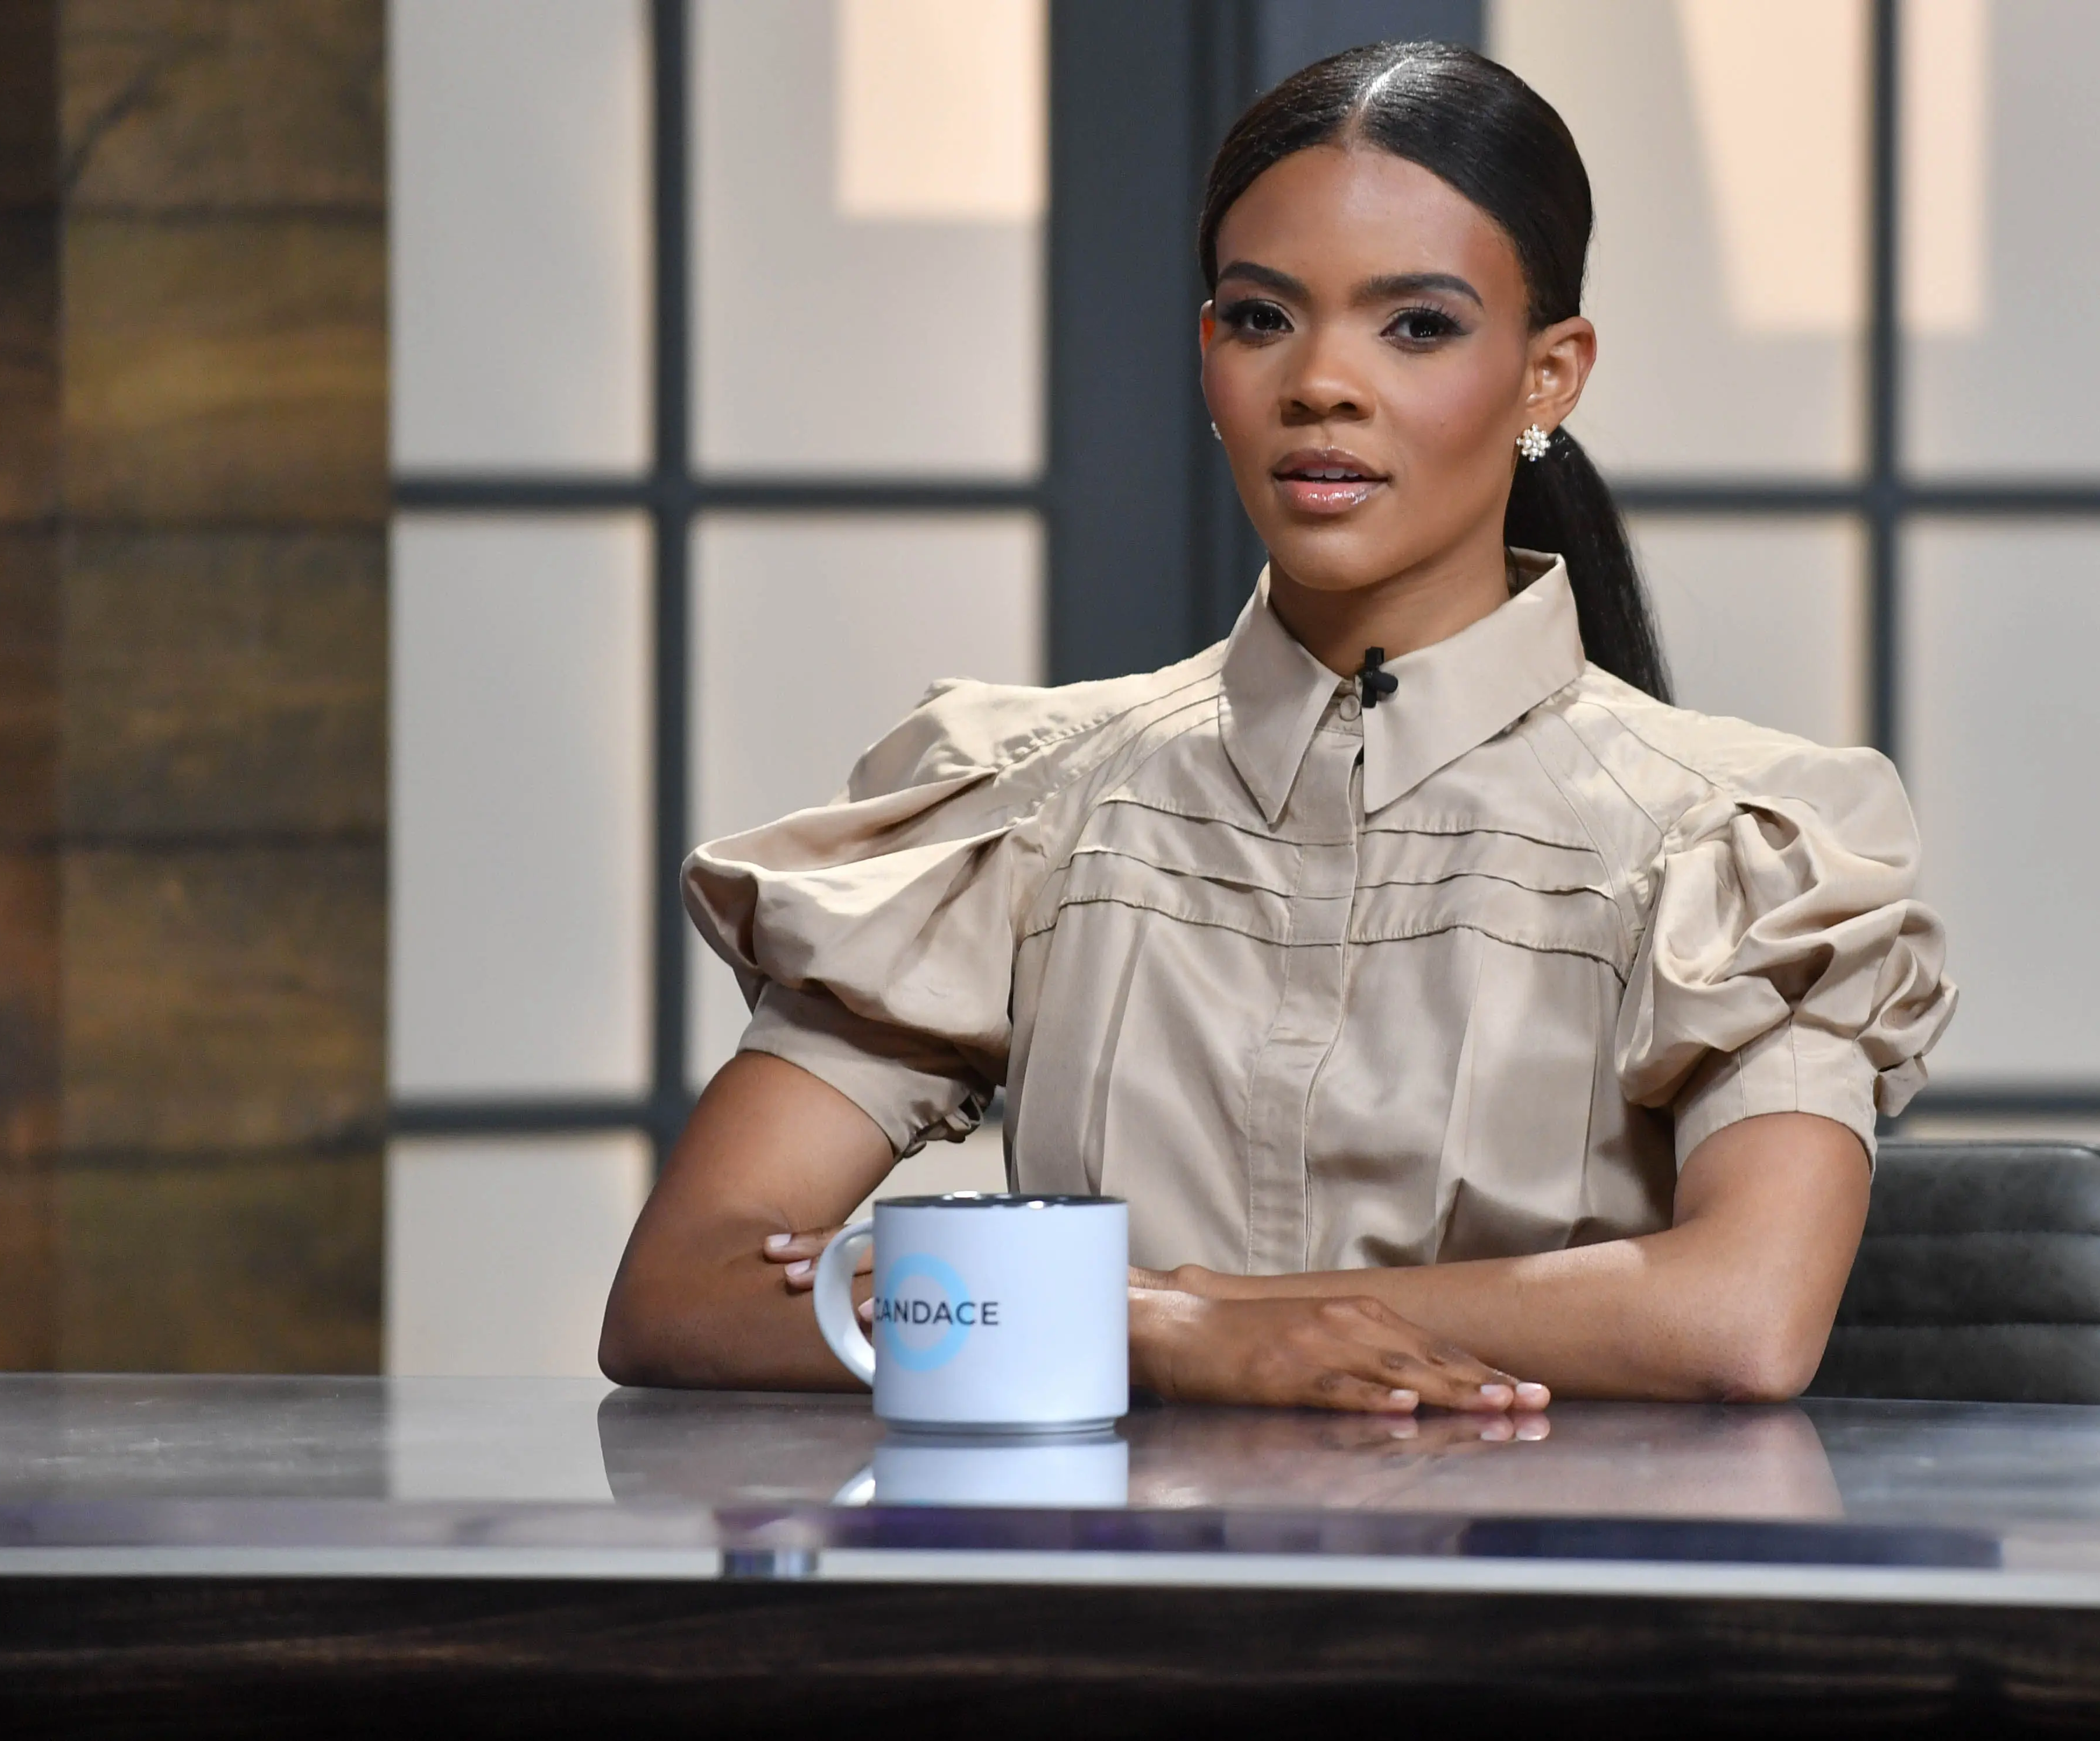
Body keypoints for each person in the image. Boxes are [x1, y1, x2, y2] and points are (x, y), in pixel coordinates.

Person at [599, 41, 1956, 1416]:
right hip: (1084, 1617)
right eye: (1262, 319)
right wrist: (1149, 1338)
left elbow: (1741, 1315)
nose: (1321, 383)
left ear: (1550, 375)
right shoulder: (1021, 804)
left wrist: (1187, 1312)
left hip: (1533, 1618)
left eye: (1416, 325)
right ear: (1207, 358)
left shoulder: (1736, 835)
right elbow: (684, 1291)